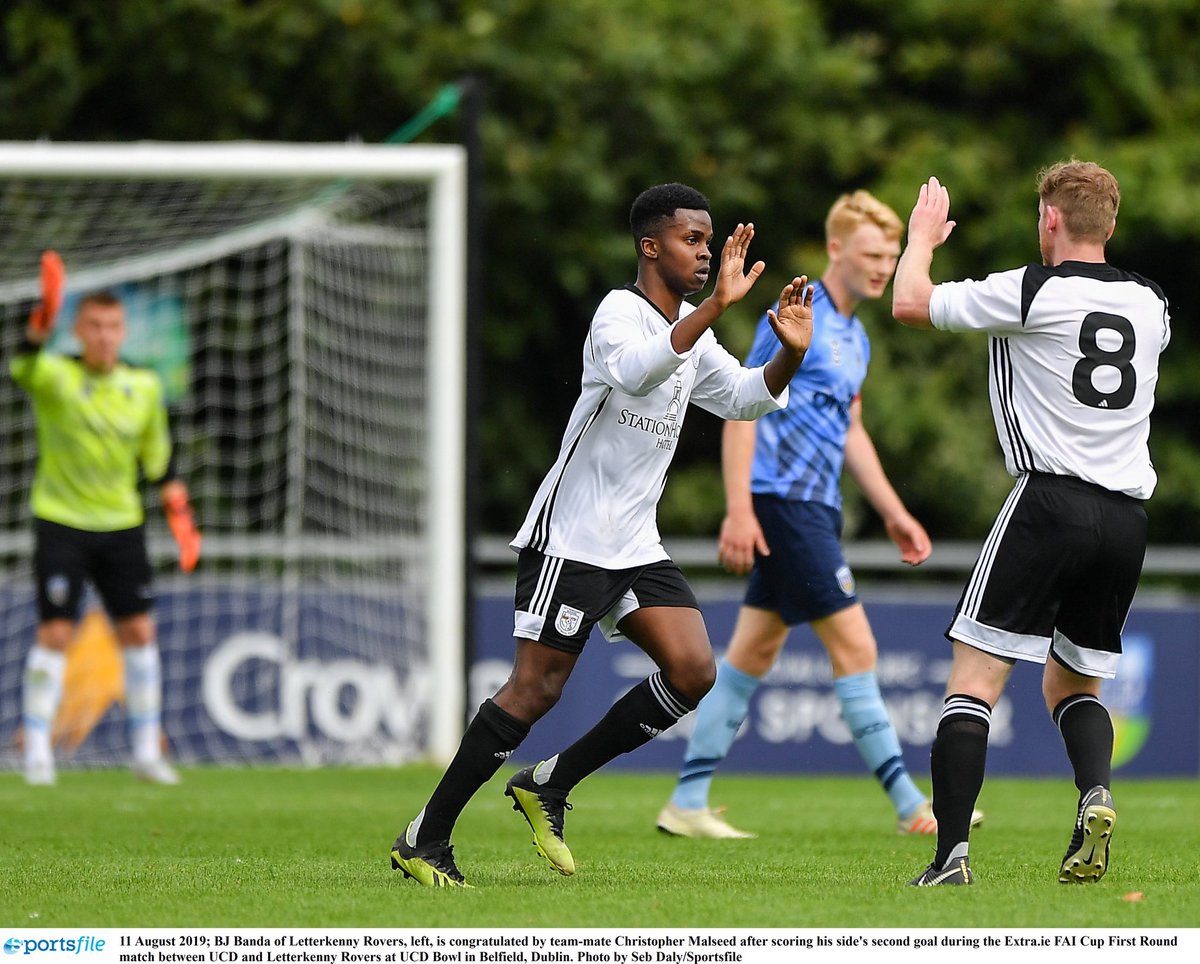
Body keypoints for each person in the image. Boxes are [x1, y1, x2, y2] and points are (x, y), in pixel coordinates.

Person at [390, 182, 814, 887]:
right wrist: (714, 307)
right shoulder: (619, 313)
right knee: (534, 690)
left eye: (709, 243)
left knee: (693, 671)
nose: (705, 254)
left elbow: (744, 399)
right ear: (650, 246)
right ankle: (423, 837)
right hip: (573, 537)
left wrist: (790, 354)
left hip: (635, 543)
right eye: (691, 240)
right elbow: (638, 373)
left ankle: (550, 783)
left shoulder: (695, 329)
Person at [658, 190, 977, 839]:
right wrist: (739, 510)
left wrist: (894, 512)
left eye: (889, 256)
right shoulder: (798, 313)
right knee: (857, 646)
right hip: (784, 503)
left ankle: (686, 803)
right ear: (836, 249)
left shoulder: (857, 336)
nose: (882, 266)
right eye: (870, 254)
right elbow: (742, 408)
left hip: (816, 508)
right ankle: (913, 807)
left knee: (751, 653)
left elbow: (851, 431)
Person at [891, 161, 1170, 885]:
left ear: (1050, 219)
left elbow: (909, 302)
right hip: (1126, 518)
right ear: (1111, 224)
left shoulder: (1030, 289)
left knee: (974, 680)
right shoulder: (1152, 303)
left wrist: (921, 239)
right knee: (1072, 687)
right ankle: (1095, 793)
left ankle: (950, 857)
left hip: (1049, 503)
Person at [11, 268, 201, 786]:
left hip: (122, 526)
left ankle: (146, 752)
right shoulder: (57, 377)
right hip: (61, 522)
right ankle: (38, 752)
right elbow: (23, 365)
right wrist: (37, 326)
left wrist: (182, 520)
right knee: (56, 631)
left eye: (113, 326)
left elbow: (159, 462)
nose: (104, 335)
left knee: (139, 631)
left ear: (123, 331)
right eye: (94, 326)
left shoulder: (144, 386)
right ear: (77, 331)